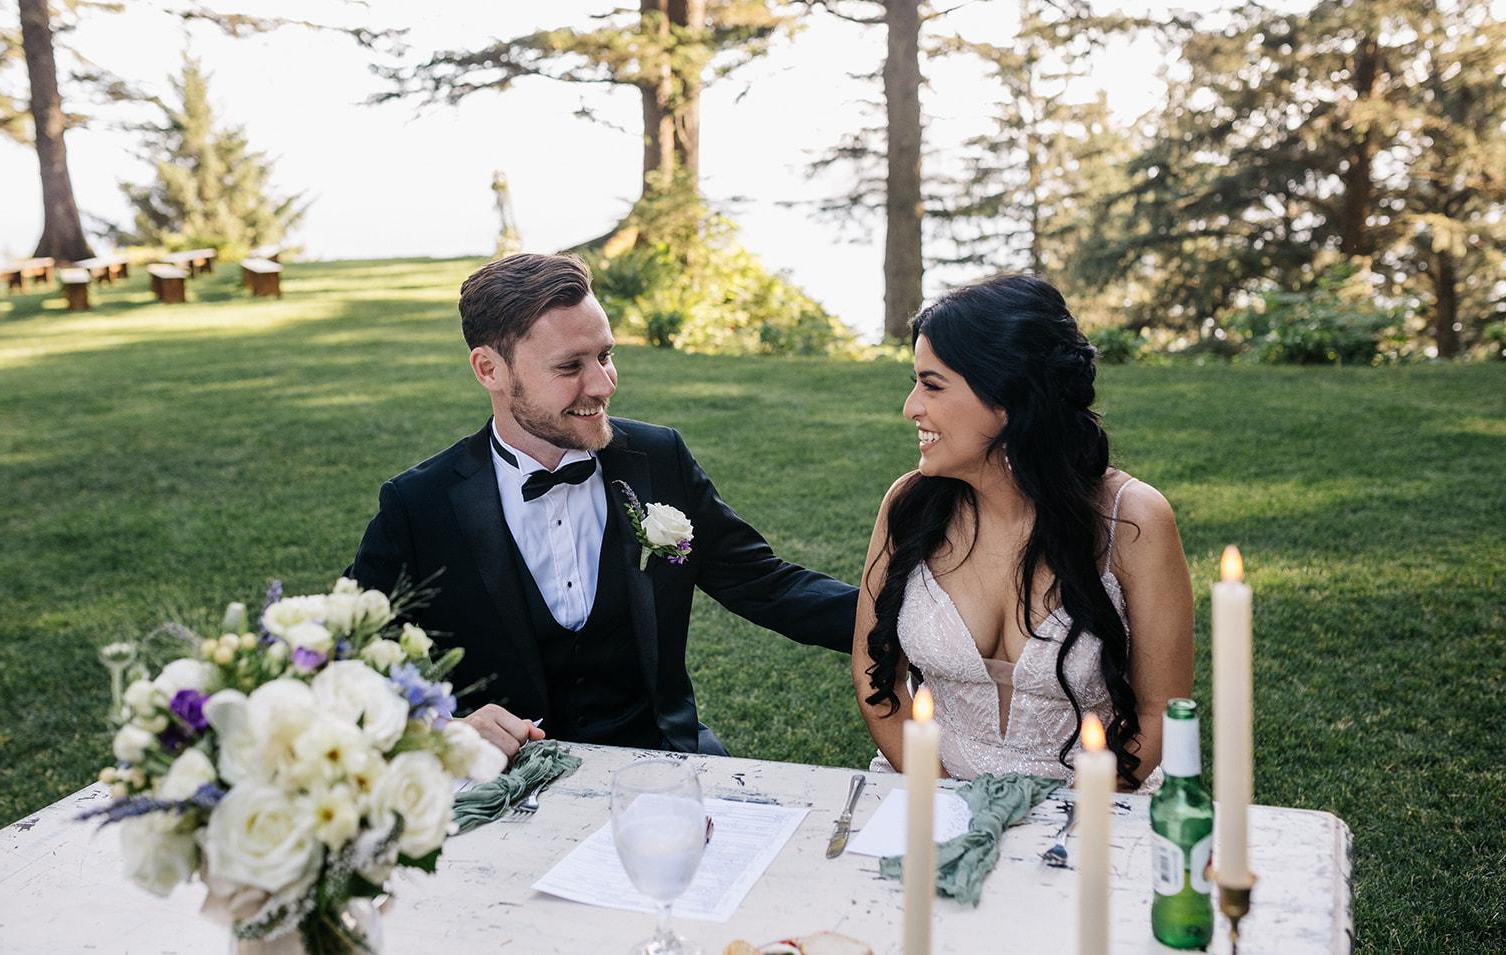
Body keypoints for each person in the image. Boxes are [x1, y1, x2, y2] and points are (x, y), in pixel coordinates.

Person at [348, 252, 857, 760]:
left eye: (605, 356)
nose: (603, 384)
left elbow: (766, 584)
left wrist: (899, 621)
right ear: (490, 370)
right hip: (504, 775)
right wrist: (446, 727)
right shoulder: (420, 505)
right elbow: (345, 658)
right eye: (570, 366)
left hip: (662, 754)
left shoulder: (658, 458)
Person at [853, 274, 1194, 790]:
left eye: (932, 385)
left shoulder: (1134, 520)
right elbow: (874, 675)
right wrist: (942, 798)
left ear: (1008, 397)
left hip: (1095, 805)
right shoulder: (908, 505)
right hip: (930, 793)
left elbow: (1157, 710)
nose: (911, 407)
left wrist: (1073, 817)